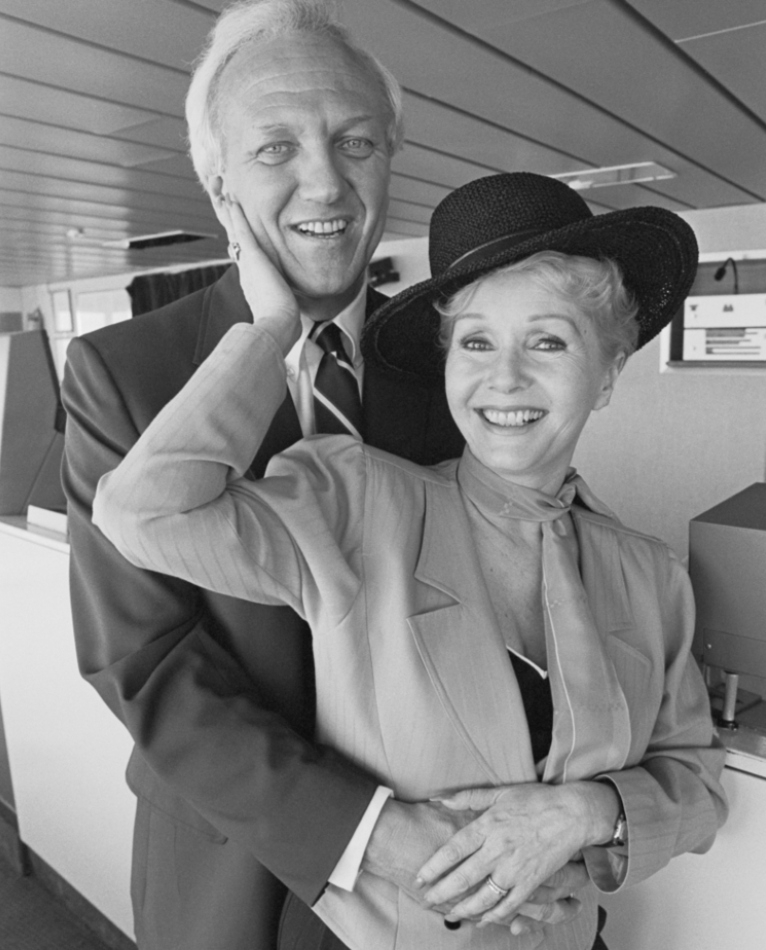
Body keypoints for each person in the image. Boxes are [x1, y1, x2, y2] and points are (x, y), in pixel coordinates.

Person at [92, 171, 729, 950]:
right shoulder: (357, 501)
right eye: (477, 342)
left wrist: (588, 813)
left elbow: (696, 777)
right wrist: (271, 328)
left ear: (607, 372)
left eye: (549, 341)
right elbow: (141, 512)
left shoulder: (649, 572)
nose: (506, 377)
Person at [62, 2, 583, 947]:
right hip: (232, 874)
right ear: (216, 181)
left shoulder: (454, 362)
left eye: (355, 141)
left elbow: (532, 575)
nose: (325, 183)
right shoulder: (123, 373)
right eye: (274, 150)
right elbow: (143, 661)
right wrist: (367, 828)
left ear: (391, 156)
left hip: (445, 882)